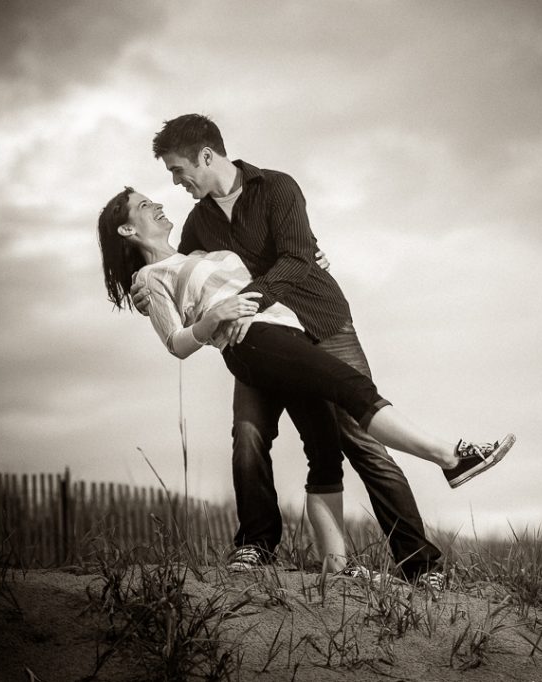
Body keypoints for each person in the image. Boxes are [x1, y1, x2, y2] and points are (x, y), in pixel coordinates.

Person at [102, 187, 515, 575]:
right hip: (253, 340)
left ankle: (335, 566)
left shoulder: (202, 249)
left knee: (325, 448)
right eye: (144, 205)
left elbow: (278, 258)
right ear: (127, 230)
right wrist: (211, 319)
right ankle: (449, 456)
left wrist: (309, 258)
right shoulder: (149, 278)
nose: (159, 203)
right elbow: (175, 343)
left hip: (292, 333)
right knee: (348, 389)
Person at [130, 115, 450, 586]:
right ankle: (256, 546)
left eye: (179, 169)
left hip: (323, 323)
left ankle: (420, 566)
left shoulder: (276, 186)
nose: (177, 182)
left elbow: (298, 258)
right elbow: (184, 275)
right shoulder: (198, 224)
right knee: (249, 435)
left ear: (206, 156)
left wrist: (259, 292)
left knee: (361, 441)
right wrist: (145, 295)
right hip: (262, 341)